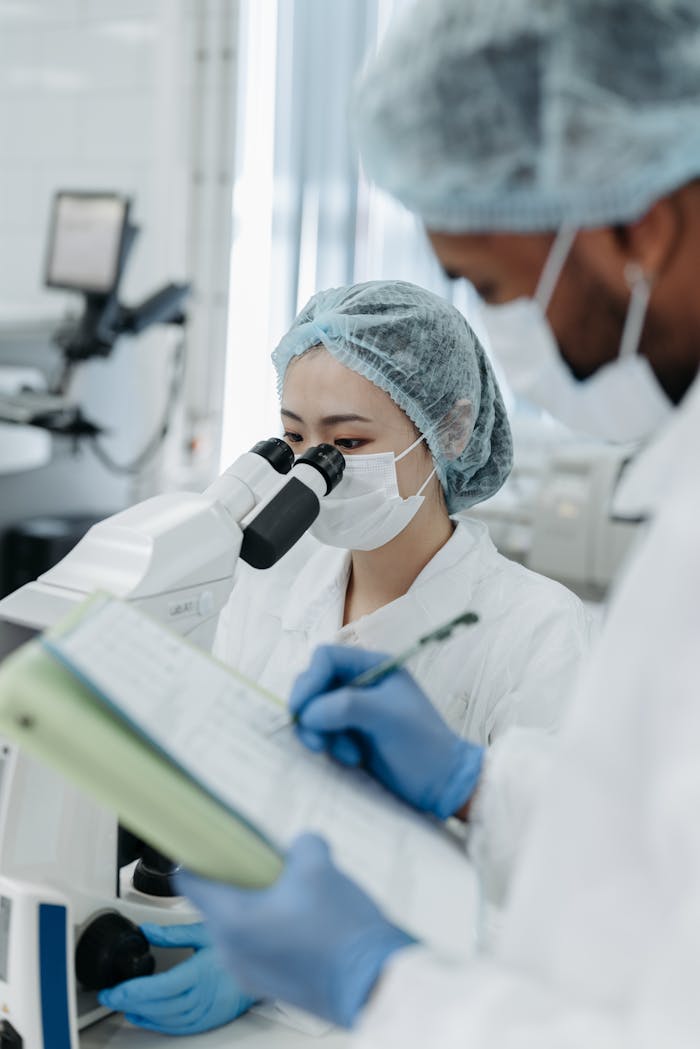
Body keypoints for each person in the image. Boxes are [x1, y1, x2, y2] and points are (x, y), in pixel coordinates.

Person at [172, 1, 700, 1046]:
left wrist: (374, 982)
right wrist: (477, 783)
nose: (508, 327)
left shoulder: (546, 622)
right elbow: (654, 855)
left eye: (493, 284)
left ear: (637, 229)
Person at [100, 279, 591, 1035]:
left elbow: (558, 910)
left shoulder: (537, 629)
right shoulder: (268, 586)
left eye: (348, 442)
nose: (313, 468)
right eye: (294, 439)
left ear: (452, 429)